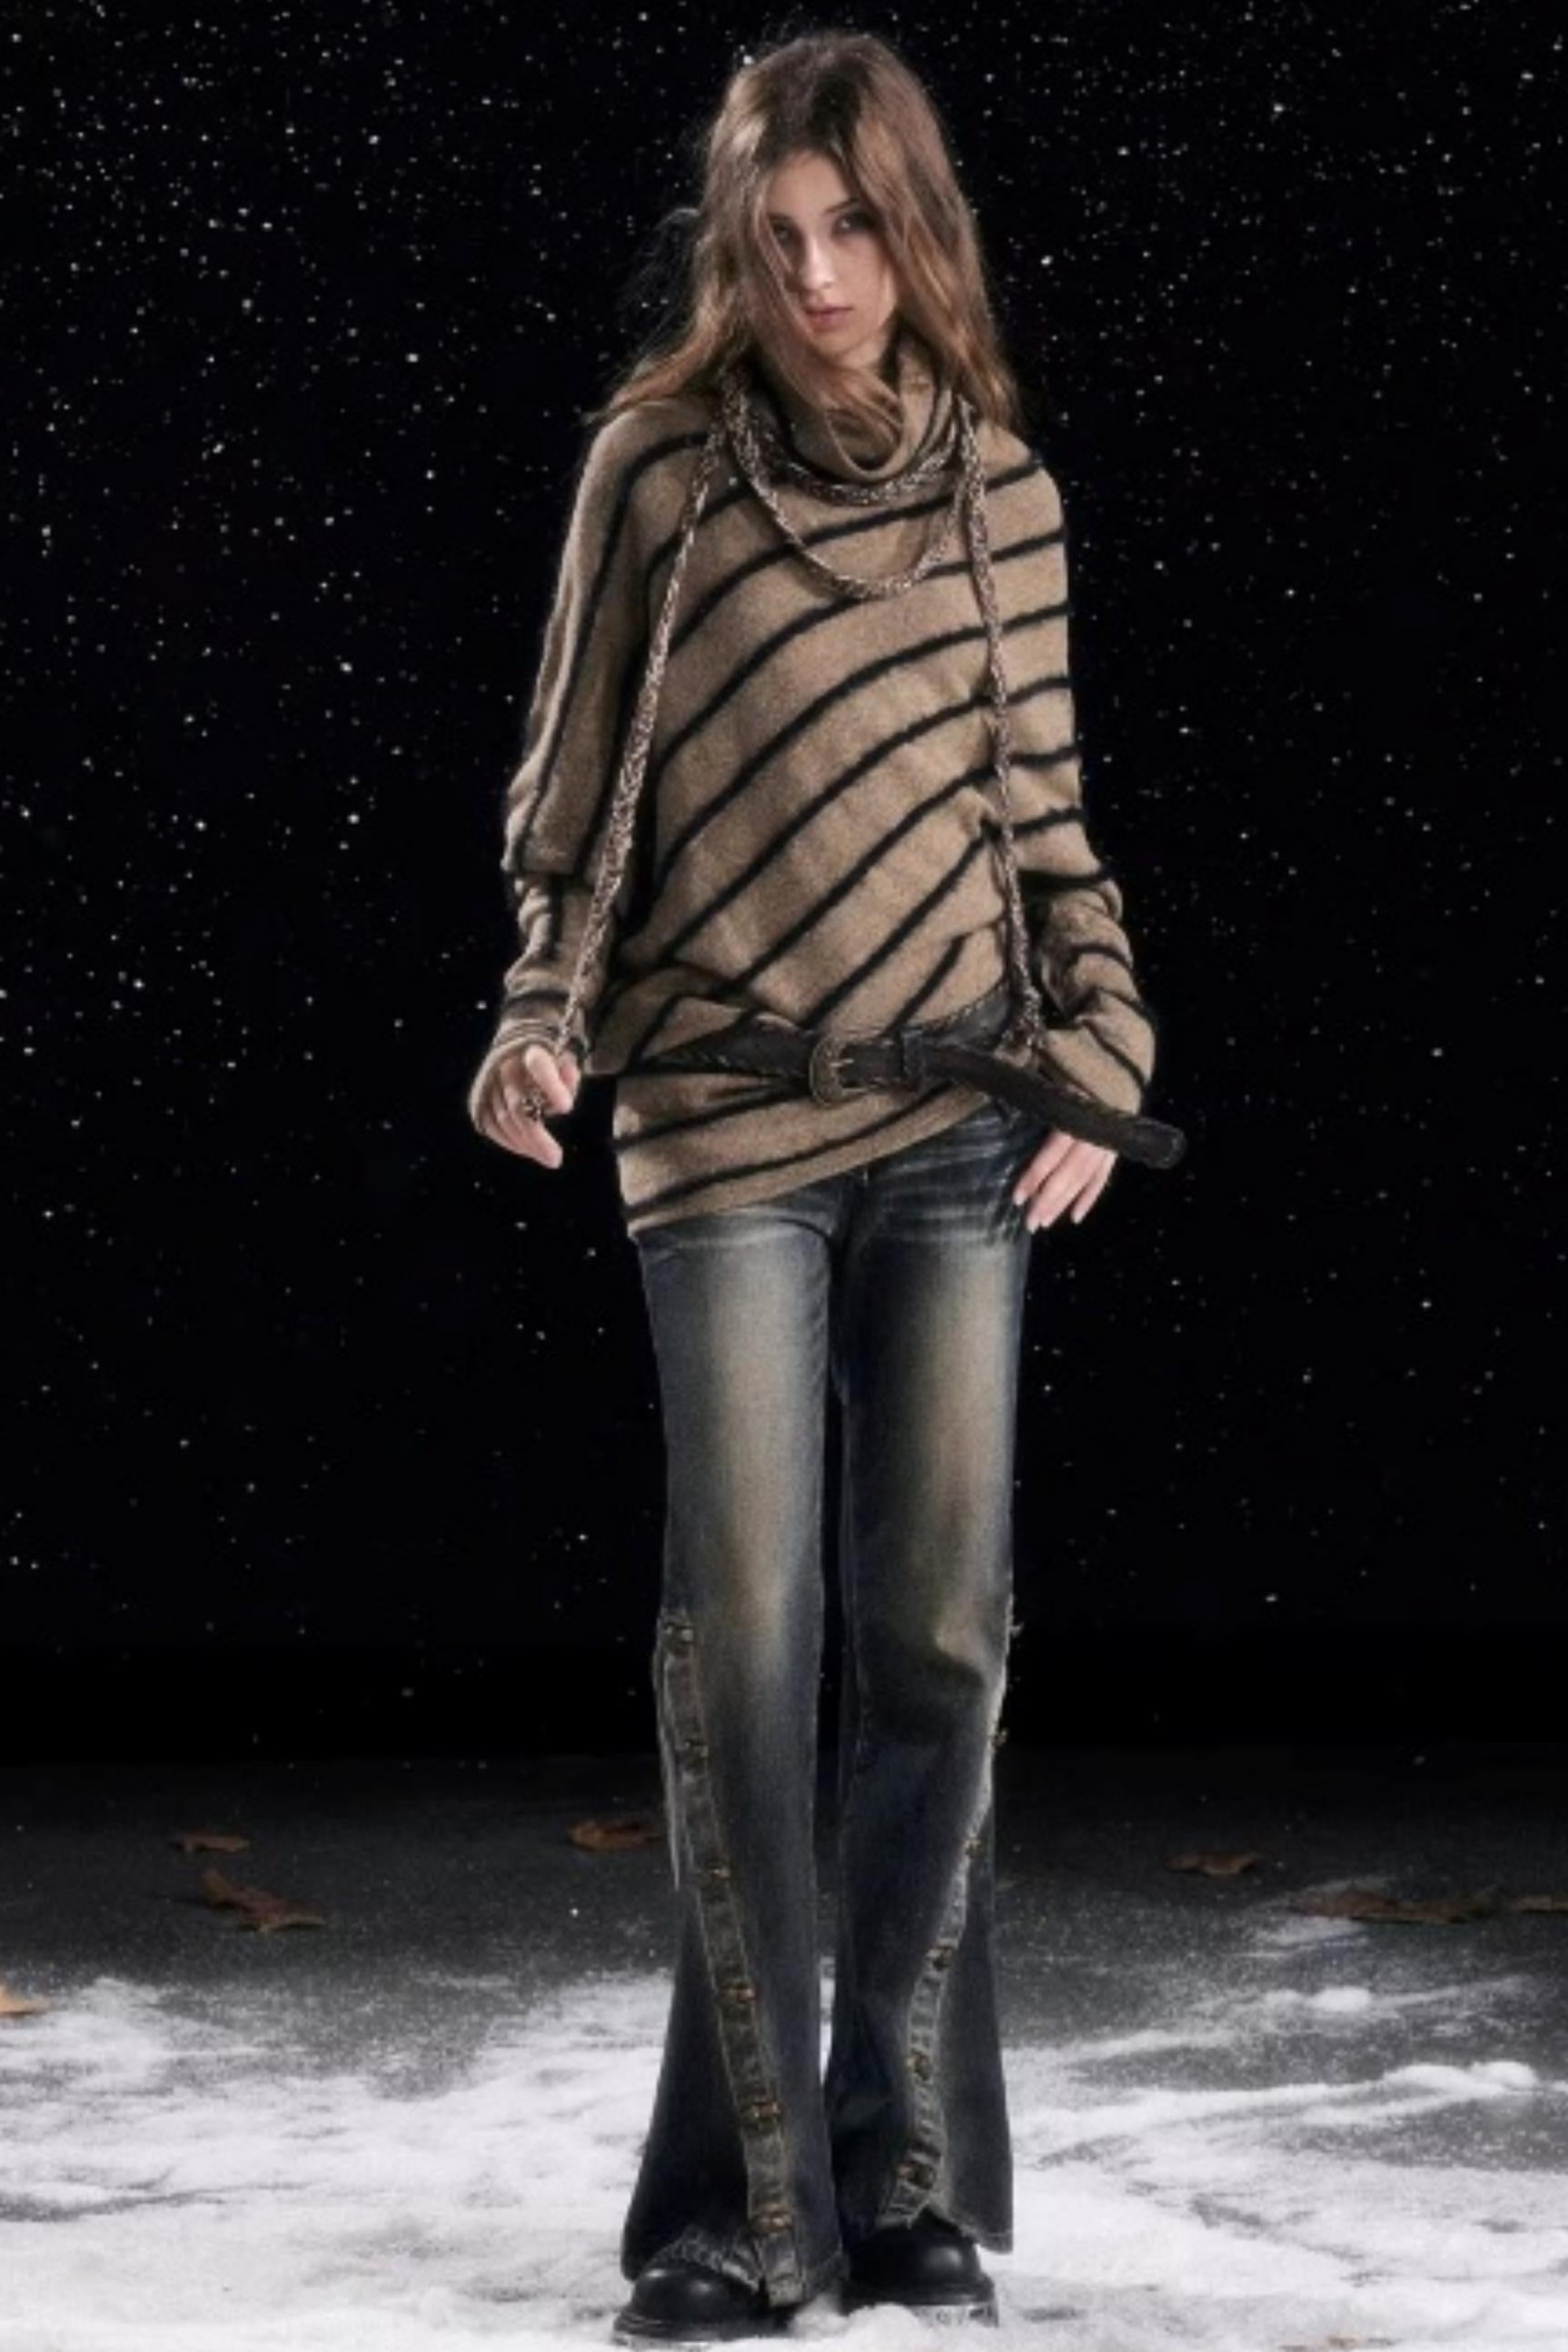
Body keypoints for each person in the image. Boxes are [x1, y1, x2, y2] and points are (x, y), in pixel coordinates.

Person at [466, 30, 1185, 2343]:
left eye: (852, 227)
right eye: (774, 238)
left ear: (912, 229)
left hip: (959, 1130)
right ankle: (723, 2206)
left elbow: (1046, 831)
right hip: (718, 1130)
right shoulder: (657, 475)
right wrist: (536, 1010)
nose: (814, 277)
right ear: (733, 246)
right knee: (745, 1651)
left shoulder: (1003, 502)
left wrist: (1098, 1050)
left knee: (941, 1644)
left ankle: (905, 2180)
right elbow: (574, 797)